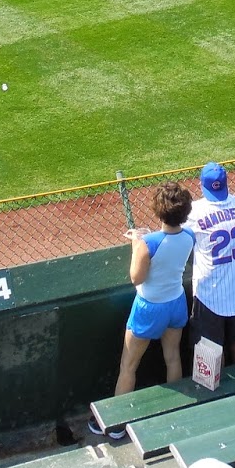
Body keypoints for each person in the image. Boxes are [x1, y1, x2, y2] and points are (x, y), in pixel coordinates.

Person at [92, 181, 196, 440]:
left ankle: (116, 426)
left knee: (128, 366)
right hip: (176, 303)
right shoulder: (190, 236)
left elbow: (136, 277)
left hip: (149, 308)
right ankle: (175, 413)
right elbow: (168, 243)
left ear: (159, 211)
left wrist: (136, 244)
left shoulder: (148, 244)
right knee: (172, 357)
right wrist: (144, 240)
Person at [188, 162, 235, 367]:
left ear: (201, 185)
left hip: (210, 296)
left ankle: (214, 392)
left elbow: (175, 233)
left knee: (209, 347)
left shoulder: (194, 212)